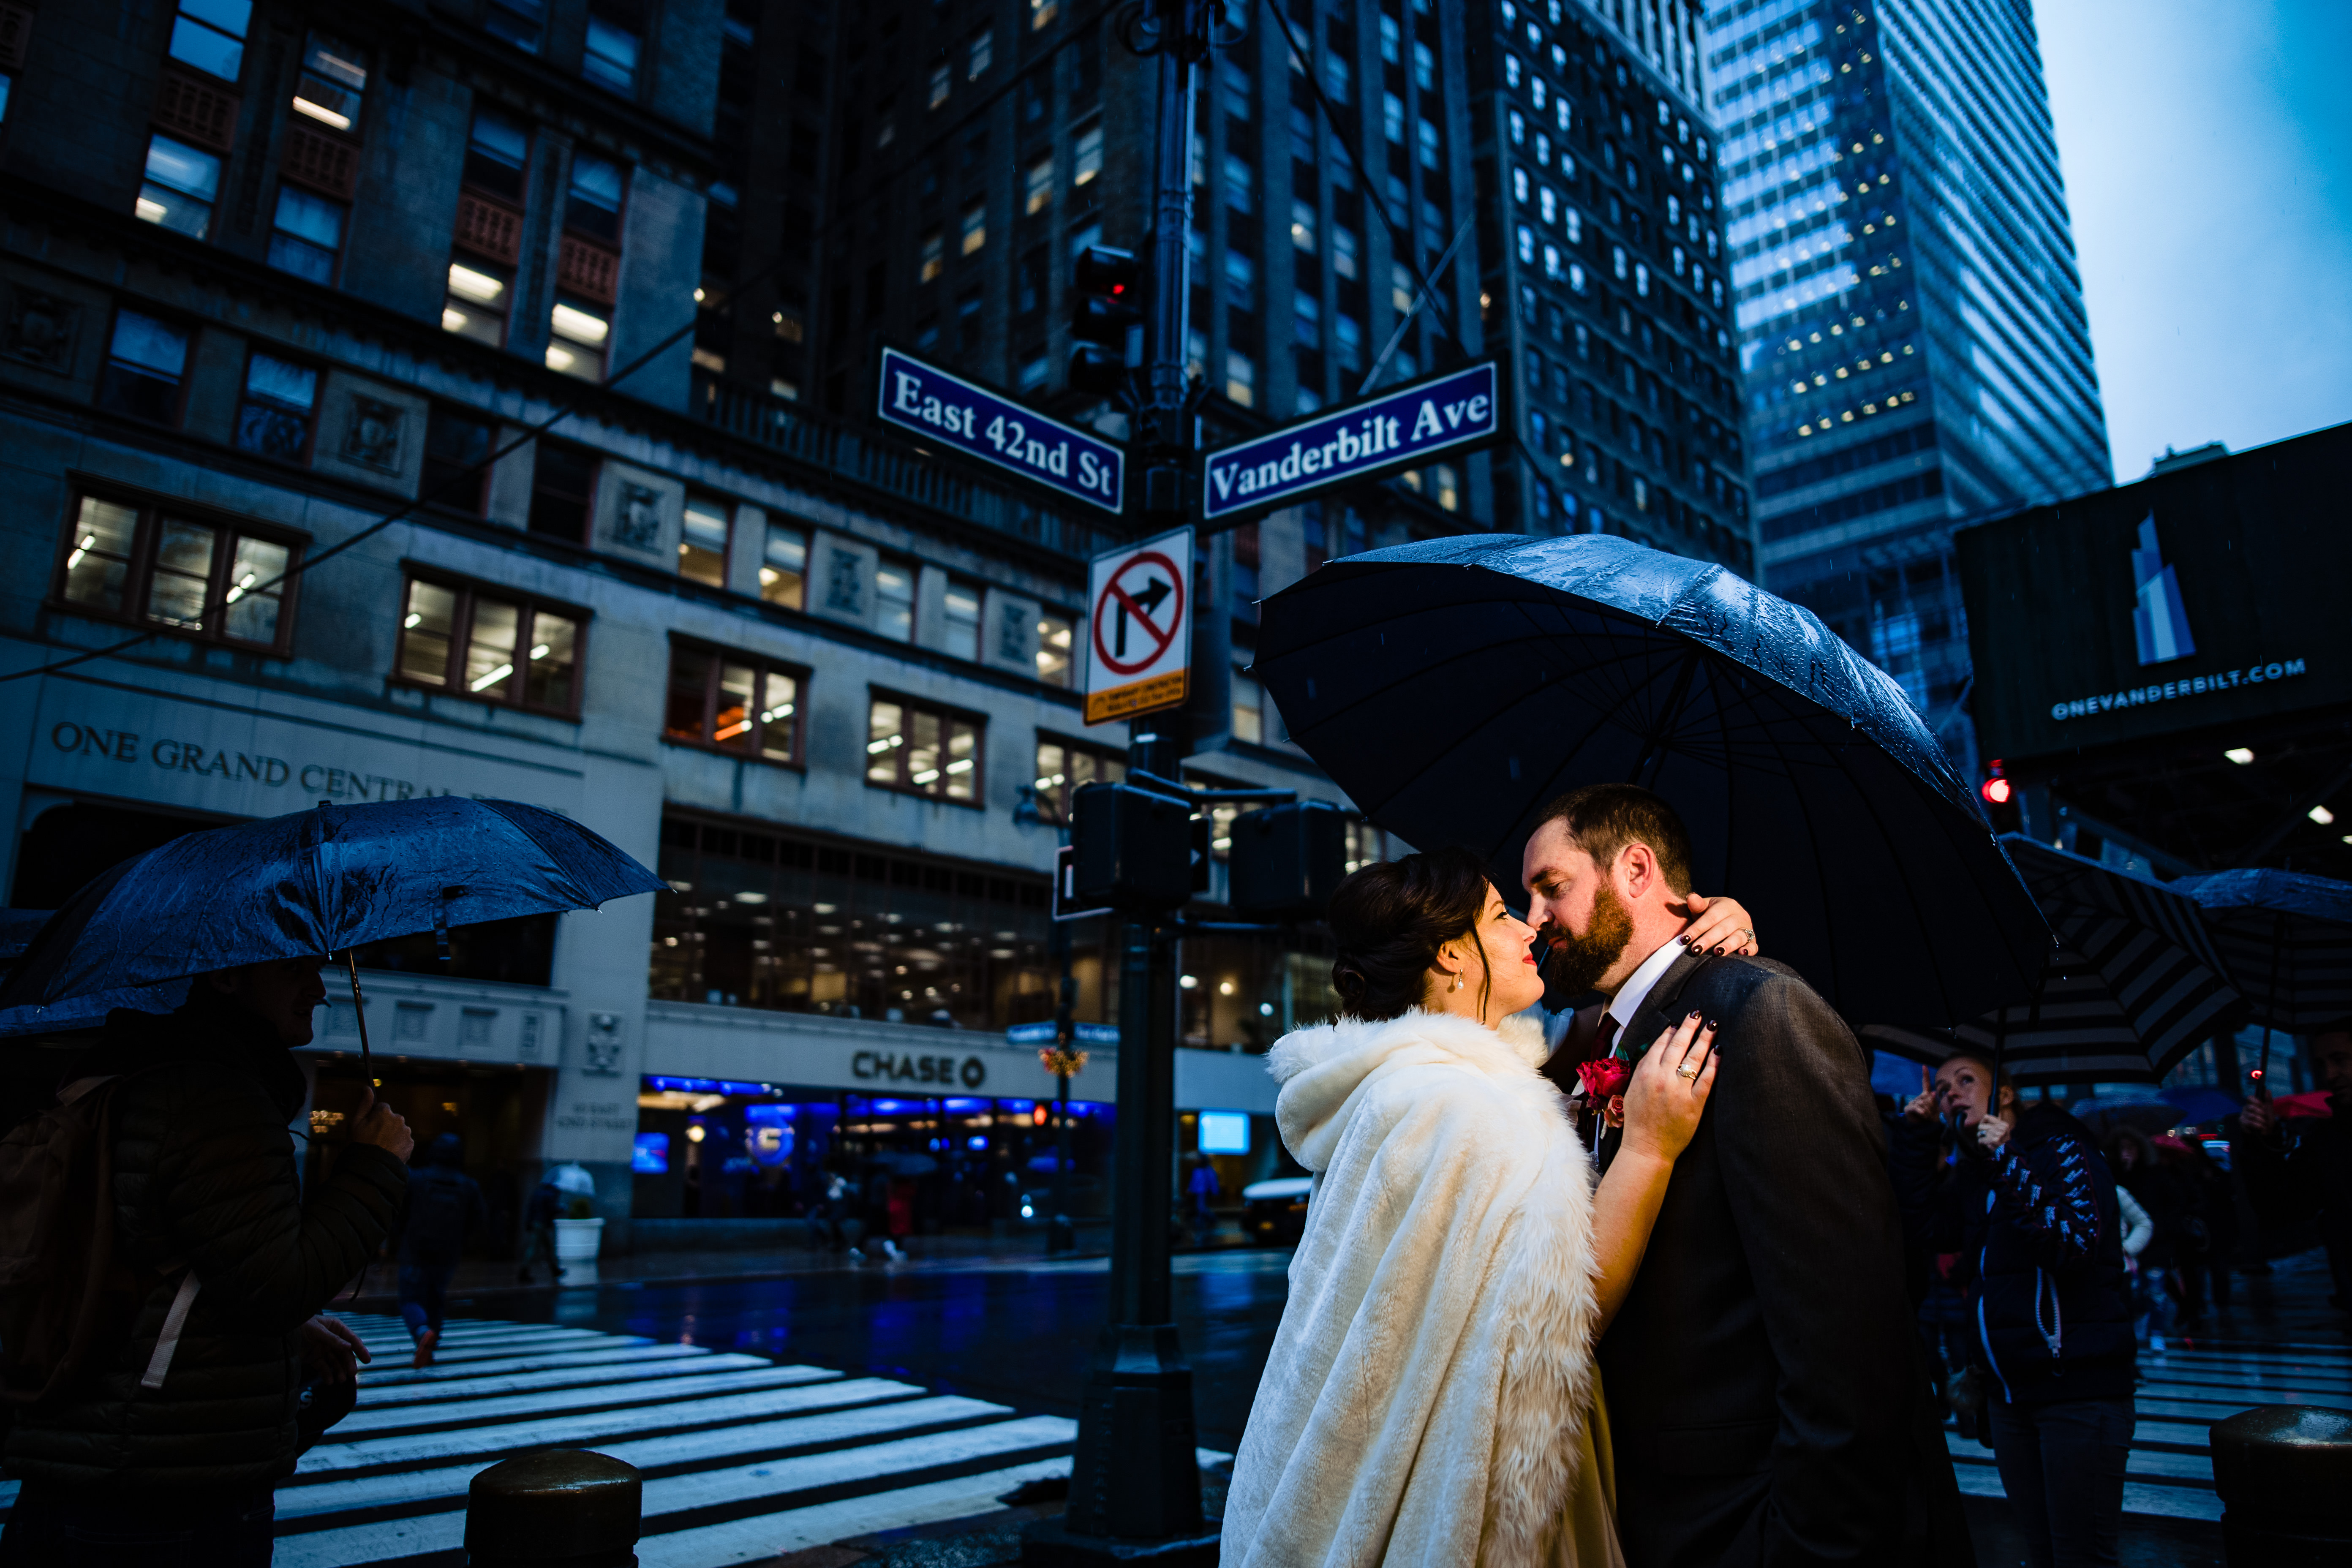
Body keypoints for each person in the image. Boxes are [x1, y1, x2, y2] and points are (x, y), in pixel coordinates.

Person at [1223, 847, 1726, 1565]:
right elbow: (1560, 1314)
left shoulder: (1401, 1087)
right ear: (1451, 954)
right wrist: (1649, 1147)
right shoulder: (1466, 1105)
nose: (1529, 929)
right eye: (1500, 914)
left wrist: (1698, 930)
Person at [1520, 783, 1966, 1568]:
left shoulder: (1760, 1013)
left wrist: (1801, 1545)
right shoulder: (1604, 1037)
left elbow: (1847, 1336)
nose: (1534, 919)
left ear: (1633, 870)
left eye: (1549, 888)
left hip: (1741, 1524)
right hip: (1655, 1511)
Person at [0, 956, 412, 1566]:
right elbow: (277, 1284)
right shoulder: (216, 1097)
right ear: (226, 977)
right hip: (164, 1490)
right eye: (296, 969)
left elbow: (153, 1258)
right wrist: (375, 1165)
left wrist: (291, 1328)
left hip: (99, 1463)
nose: (319, 990)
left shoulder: (146, 1070)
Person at [1893, 1056, 2135, 1568]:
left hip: (2075, 1390)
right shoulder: (1976, 1170)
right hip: (2007, 1395)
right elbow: (1929, 1228)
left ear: (2005, 1093)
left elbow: (2073, 1243)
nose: (1951, 1093)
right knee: (2041, 1550)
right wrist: (1915, 1139)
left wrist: (2007, 1158)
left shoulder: (2062, 1146)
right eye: (1942, 1087)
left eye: (1965, 1080)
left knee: (2080, 1555)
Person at [2238, 1023, 2352, 1313]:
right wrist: (2263, 1141)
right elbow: (2282, 1207)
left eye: (2340, 1060)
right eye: (2322, 1064)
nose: (2330, 1075)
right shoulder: (2329, 1139)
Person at [398, 1132, 487, 1368]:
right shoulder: (468, 1185)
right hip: (448, 1252)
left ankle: (421, 1332)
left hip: (416, 1248)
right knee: (436, 1298)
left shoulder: (416, 1179)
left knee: (410, 1297)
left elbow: (399, 1212)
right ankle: (431, 1345)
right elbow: (479, 1220)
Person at [516, 1171, 564, 1285]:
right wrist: (561, 1209)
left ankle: (554, 1270)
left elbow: (531, 1208)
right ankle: (524, 1271)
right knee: (534, 1249)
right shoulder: (551, 1194)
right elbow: (551, 1209)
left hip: (536, 1223)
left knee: (546, 1248)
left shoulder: (538, 1192)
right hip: (542, 1224)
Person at [1184, 1153, 1221, 1247]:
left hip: (1204, 1192)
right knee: (1199, 1209)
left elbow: (1213, 1182)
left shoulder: (1208, 1170)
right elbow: (1193, 1181)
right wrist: (1190, 1189)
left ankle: (1207, 1222)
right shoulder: (1197, 1170)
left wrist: (1215, 1192)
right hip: (1196, 1192)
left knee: (1201, 1208)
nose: (1198, 1161)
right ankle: (1201, 1224)